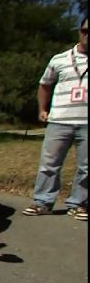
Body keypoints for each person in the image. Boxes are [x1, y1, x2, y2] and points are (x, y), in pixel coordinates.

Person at [22, 17, 88, 221]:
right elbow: (44, 85)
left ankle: (78, 204)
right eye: (85, 30)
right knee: (49, 164)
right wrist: (42, 109)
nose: (88, 35)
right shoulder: (59, 59)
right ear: (79, 31)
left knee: (86, 168)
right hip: (59, 119)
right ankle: (43, 202)